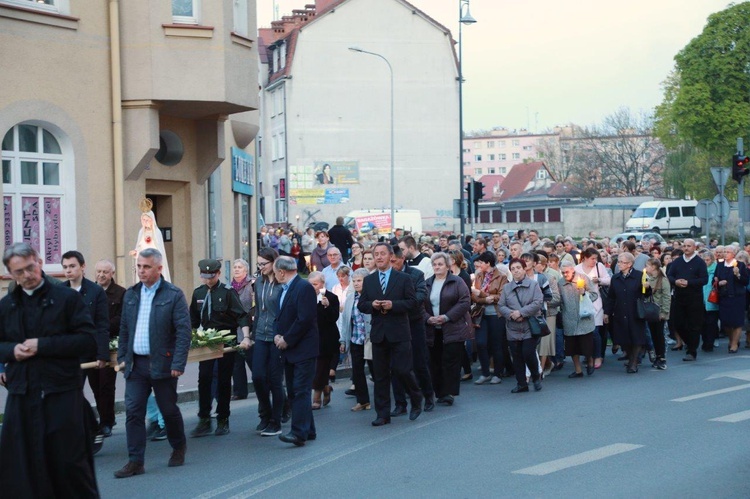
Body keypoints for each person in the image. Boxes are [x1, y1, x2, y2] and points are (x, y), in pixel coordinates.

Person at [0, 243, 99, 496]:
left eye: (30, 268)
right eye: (18, 272)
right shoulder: (7, 305)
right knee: (22, 467)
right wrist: (12, 351)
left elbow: (87, 340)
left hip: (61, 393)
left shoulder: (67, 299)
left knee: (69, 465)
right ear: (11, 274)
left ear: (40, 262)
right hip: (22, 395)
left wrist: (43, 346)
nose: (26, 275)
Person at [115, 248, 191, 478]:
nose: (141, 271)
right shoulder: (131, 294)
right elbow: (125, 329)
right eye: (138, 266)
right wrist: (121, 357)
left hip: (163, 364)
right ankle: (135, 461)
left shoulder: (173, 295)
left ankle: (178, 446)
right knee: (134, 412)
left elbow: (183, 331)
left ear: (159, 268)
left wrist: (178, 362)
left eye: (146, 267)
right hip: (136, 365)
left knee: (168, 410)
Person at [358, 242, 423, 426]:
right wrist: (373, 305)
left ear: (390, 257)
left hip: (399, 331)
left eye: (382, 254)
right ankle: (382, 414)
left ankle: (416, 397)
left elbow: (412, 302)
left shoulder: (403, 278)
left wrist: (393, 305)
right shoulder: (369, 280)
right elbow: (362, 304)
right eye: (375, 254)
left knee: (402, 370)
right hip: (379, 333)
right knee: (380, 375)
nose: (378, 257)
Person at [189, 259, 250, 437]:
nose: (208, 280)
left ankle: (223, 419)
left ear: (218, 274)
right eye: (205, 276)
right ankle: (204, 419)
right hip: (206, 342)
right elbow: (192, 320)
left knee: (223, 380)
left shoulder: (228, 292)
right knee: (204, 378)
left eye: (212, 276)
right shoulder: (198, 293)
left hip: (226, 340)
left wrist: (245, 337)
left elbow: (242, 316)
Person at [61, 250, 111, 445]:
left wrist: (102, 354)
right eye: (65, 267)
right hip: (67, 353)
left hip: (89, 352)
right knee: (71, 393)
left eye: (72, 266)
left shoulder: (95, 291)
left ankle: (98, 427)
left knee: (100, 391)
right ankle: (87, 431)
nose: (68, 271)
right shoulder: (60, 291)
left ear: (82, 267)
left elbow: (102, 325)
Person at [273, 256, 319, 446]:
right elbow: (281, 317)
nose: (275, 276)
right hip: (290, 349)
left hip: (303, 349)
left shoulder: (303, 287)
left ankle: (298, 432)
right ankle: (309, 429)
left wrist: (287, 339)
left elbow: (304, 319)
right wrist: (277, 335)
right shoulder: (284, 289)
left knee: (300, 391)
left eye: (275, 272)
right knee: (294, 390)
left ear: (282, 272)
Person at [390, 245, 435, 414]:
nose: (390, 264)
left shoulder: (416, 274)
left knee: (419, 362)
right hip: (394, 324)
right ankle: (400, 403)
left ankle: (428, 396)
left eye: (393, 261)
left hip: (413, 323)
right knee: (395, 366)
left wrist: (398, 305)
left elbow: (421, 296)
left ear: (402, 259)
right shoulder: (387, 275)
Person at [424, 252, 473, 406]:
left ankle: (448, 393)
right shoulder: (427, 283)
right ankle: (438, 391)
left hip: (453, 327)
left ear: (447, 266)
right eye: (435, 264)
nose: (437, 267)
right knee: (435, 361)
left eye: (440, 264)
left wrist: (447, 317)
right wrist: (427, 318)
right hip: (432, 329)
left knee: (450, 361)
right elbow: (419, 305)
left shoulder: (457, 282)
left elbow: (465, 302)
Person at [252, 248, 288, 436]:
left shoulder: (282, 284)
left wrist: (283, 335)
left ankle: (276, 420)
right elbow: (258, 310)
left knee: (275, 379)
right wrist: (251, 334)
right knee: (258, 376)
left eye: (263, 264)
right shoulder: (258, 282)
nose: (260, 268)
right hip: (260, 334)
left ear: (273, 263)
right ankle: (265, 414)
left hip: (276, 336)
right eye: (258, 264)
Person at [498, 258, 544, 393]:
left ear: (524, 269)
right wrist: (511, 314)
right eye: (513, 269)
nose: (516, 270)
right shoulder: (507, 288)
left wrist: (521, 313)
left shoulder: (533, 285)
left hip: (529, 325)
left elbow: (537, 302)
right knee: (516, 356)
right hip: (513, 327)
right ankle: (521, 383)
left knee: (528, 353)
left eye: (518, 267)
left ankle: (536, 376)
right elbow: (501, 305)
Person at [93, 258, 127, 438]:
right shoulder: (89, 291)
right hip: (91, 344)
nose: (101, 275)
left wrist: (102, 326)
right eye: (98, 271)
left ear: (112, 274)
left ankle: (106, 421)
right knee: (94, 385)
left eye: (105, 272)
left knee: (106, 384)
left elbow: (122, 319)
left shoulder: (121, 293)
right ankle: (102, 418)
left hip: (110, 344)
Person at [604, 252, 647, 373]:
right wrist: (607, 312)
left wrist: (647, 287)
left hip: (635, 311)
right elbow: (611, 297)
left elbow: (647, 294)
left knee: (636, 337)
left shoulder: (639, 276)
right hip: (620, 311)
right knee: (624, 338)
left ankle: (634, 362)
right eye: (618, 262)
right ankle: (631, 356)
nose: (618, 264)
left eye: (621, 262)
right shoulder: (616, 278)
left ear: (629, 264)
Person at [666, 238, 708, 361]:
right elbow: (669, 275)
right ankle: (689, 343)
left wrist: (689, 282)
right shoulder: (678, 261)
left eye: (689, 246)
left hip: (694, 298)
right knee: (678, 323)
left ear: (694, 247)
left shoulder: (699, 262)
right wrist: (676, 282)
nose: (686, 248)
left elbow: (704, 279)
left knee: (694, 325)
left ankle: (692, 351)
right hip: (679, 296)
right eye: (684, 245)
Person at [471, 251, 509, 385]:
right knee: (481, 343)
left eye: (481, 262)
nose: (479, 265)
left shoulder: (502, 277)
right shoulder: (479, 276)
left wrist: (484, 295)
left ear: (488, 263)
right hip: (481, 313)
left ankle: (498, 372)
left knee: (496, 344)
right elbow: (473, 295)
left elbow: (502, 295)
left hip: (496, 314)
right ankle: (485, 372)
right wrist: (484, 298)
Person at [339, 268, 372, 411]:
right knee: (357, 372)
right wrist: (343, 340)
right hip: (356, 339)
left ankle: (383, 400)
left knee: (376, 371)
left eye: (360, 281)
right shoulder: (350, 297)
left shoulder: (372, 296)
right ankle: (362, 400)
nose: (356, 283)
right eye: (354, 281)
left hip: (370, 339)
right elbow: (346, 320)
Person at [558, 261, 598, 377]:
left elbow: (594, 295)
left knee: (587, 345)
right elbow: (559, 300)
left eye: (567, 272)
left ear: (573, 270)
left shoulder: (583, 278)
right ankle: (578, 370)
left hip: (584, 317)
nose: (565, 275)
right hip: (569, 318)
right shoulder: (561, 283)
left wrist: (584, 293)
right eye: (563, 272)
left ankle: (590, 361)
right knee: (572, 347)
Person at [307, 272, 340, 409]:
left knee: (320, 368)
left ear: (322, 283)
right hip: (310, 338)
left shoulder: (332, 297)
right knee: (315, 368)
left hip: (326, 339)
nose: (312, 287)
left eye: (315, 284)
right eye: (310, 284)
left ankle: (316, 398)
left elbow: (333, 318)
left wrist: (327, 306)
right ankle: (326, 388)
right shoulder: (307, 297)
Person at [575, 247, 610, 368]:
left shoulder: (599, 266)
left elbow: (608, 280)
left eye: (596, 258)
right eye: (592, 258)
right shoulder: (577, 268)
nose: (594, 261)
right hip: (582, 302)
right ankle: (588, 355)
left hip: (597, 302)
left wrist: (599, 280)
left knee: (595, 331)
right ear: (584, 258)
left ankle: (598, 356)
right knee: (585, 331)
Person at [714, 245, 749, 353]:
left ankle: (734, 344)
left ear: (733, 254)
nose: (725, 253)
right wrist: (719, 283)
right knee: (726, 322)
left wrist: (738, 274)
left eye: (727, 252)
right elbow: (714, 280)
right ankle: (732, 339)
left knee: (737, 322)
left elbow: (745, 281)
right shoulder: (719, 265)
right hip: (724, 297)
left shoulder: (741, 265)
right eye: (724, 251)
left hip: (737, 297)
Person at [230, 259, 256, 401]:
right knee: (236, 363)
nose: (237, 269)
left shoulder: (252, 285)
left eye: (240, 267)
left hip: (250, 328)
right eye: (235, 267)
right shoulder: (229, 287)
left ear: (246, 270)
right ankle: (239, 391)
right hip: (235, 329)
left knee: (253, 360)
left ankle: (264, 385)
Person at [130, 203, 171, 283]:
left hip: (152, 262)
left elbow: (159, 249)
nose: (145, 222)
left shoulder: (156, 232)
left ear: (152, 220)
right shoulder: (141, 232)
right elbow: (139, 247)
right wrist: (136, 252)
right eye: (143, 220)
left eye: (147, 220)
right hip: (143, 262)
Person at [643, 257, 671, 369]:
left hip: (659, 311)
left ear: (653, 267)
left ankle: (662, 357)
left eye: (647, 265)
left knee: (660, 335)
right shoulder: (647, 279)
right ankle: (657, 356)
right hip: (650, 312)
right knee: (653, 334)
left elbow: (666, 297)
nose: (646, 268)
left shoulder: (663, 280)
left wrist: (664, 312)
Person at [699, 249, 719, 352]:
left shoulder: (716, 269)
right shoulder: (700, 270)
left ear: (712, 260)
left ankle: (709, 343)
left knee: (711, 323)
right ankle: (705, 340)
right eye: (704, 260)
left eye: (708, 260)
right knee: (702, 323)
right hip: (701, 299)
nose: (706, 262)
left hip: (712, 300)